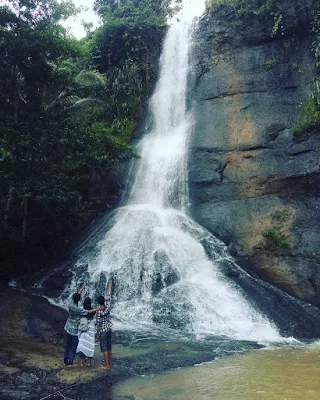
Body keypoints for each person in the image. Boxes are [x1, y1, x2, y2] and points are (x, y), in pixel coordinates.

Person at [63, 284, 102, 367]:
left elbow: (76, 296)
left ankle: (65, 361)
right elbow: (88, 312)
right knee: (74, 346)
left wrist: (81, 289)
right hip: (74, 331)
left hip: (67, 328)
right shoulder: (79, 310)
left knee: (67, 345)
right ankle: (70, 363)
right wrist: (98, 308)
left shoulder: (71, 304)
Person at [96, 281, 112, 370]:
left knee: (104, 348)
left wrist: (97, 334)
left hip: (103, 331)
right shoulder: (108, 305)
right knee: (109, 346)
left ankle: (107, 365)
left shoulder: (99, 312)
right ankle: (109, 361)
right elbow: (109, 295)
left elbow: (98, 324)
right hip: (109, 328)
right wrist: (110, 286)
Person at [76, 297, 96, 367]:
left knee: (82, 344)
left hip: (83, 329)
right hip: (91, 329)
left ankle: (81, 362)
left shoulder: (82, 310)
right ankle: (89, 363)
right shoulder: (93, 311)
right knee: (90, 345)